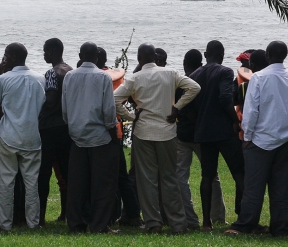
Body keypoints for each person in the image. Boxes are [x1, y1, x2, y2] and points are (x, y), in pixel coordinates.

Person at [114, 43, 200, 234]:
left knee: (147, 181)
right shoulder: (170, 73)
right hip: (167, 132)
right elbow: (194, 87)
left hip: (143, 132)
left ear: (139, 58)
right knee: (170, 178)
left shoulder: (135, 78)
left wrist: (131, 116)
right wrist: (177, 106)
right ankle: (178, 223)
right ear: (155, 57)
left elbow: (114, 99)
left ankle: (154, 223)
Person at [227, 41, 288, 237]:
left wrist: (247, 135)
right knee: (282, 187)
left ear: (268, 55)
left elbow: (252, 110)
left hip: (260, 139)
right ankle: (280, 228)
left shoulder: (259, 78)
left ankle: (245, 224)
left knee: (254, 186)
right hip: (286, 139)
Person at [61, 42, 120, 233]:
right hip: (100, 137)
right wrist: (113, 134)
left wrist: (73, 126)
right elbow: (109, 110)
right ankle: (98, 225)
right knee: (102, 186)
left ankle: (76, 224)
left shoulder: (70, 76)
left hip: (77, 137)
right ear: (96, 57)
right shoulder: (103, 77)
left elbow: (65, 109)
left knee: (77, 186)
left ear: (80, 55)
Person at [189, 40, 245, 230]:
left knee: (207, 176)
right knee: (239, 173)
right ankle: (243, 217)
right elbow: (224, 97)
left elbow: (189, 104)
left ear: (205, 55)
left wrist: (199, 120)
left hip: (204, 131)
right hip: (224, 130)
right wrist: (235, 121)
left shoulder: (194, 75)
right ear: (222, 55)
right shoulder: (225, 72)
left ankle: (206, 222)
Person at [0, 43, 45, 231]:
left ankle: (5, 224)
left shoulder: (4, 79)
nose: (4, 59)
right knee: (32, 182)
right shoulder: (40, 78)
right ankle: (33, 223)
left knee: (6, 181)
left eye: (6, 56)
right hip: (32, 136)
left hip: (8, 136)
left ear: (13, 58)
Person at [176, 49, 226, 229]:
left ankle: (189, 218)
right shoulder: (208, 78)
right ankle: (218, 215)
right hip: (203, 135)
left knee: (181, 177)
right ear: (202, 61)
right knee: (212, 175)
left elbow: (181, 108)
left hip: (183, 134)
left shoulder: (182, 83)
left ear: (185, 63)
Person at [96, 47, 141, 226]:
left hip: (101, 132)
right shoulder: (117, 77)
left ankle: (111, 214)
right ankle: (132, 215)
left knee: (104, 176)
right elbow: (127, 100)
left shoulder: (96, 77)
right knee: (121, 176)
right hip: (117, 131)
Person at [37, 38, 72, 225]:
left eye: (45, 51)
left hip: (50, 128)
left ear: (51, 51)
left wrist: (40, 112)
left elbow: (50, 100)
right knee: (66, 172)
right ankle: (66, 214)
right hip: (67, 128)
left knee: (44, 173)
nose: (43, 55)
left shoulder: (52, 73)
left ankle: (41, 217)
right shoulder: (70, 71)